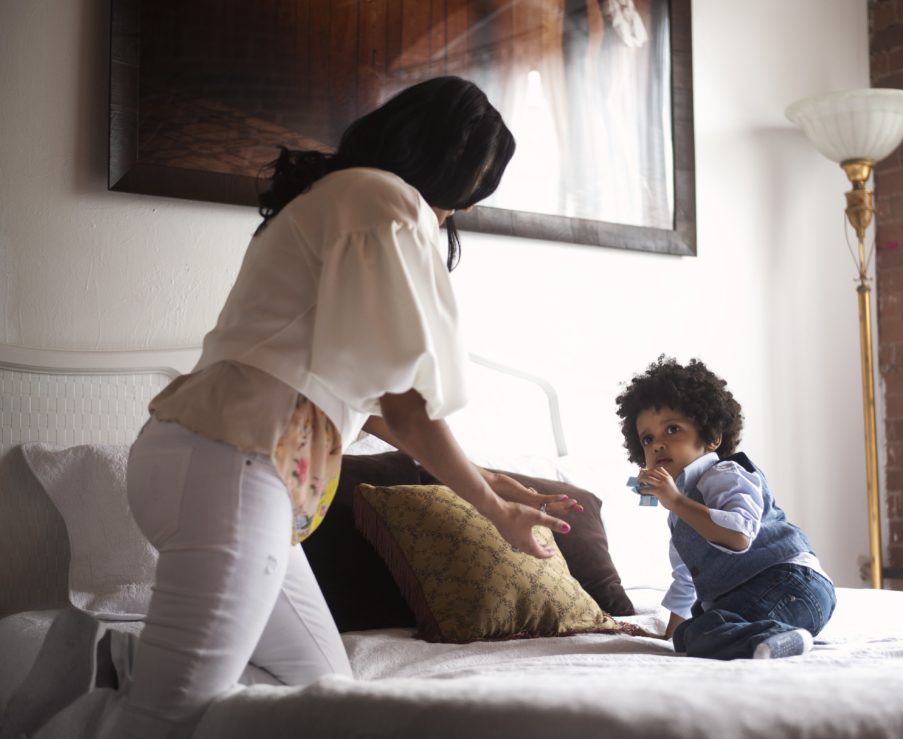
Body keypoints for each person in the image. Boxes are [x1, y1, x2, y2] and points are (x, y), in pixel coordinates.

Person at [4, 76, 581, 739]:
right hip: (231, 466)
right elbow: (410, 404)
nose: (460, 211)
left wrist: (484, 476)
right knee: (167, 719)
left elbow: (380, 408)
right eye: (468, 189)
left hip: (219, 462)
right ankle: (78, 710)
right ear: (443, 164)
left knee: (318, 693)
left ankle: (110, 662)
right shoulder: (383, 200)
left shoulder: (341, 199)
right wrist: (495, 509)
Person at [614, 356, 835, 660]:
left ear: (712, 436)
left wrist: (677, 501)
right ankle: (774, 640)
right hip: (759, 596)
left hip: (791, 583)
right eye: (648, 438)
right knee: (689, 635)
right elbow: (686, 578)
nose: (657, 445)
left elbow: (739, 534)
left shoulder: (724, 474)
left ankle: (776, 636)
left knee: (704, 630)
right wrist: (670, 637)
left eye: (672, 430)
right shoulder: (679, 512)